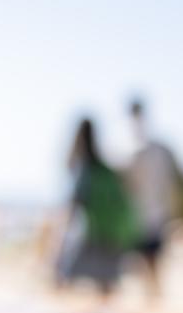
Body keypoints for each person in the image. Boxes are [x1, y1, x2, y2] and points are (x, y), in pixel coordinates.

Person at [125, 98, 183, 298]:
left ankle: (154, 304)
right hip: (151, 216)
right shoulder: (153, 149)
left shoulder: (143, 149)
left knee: (150, 269)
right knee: (150, 269)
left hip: (149, 217)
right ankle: (154, 302)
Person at [55, 118, 138, 298]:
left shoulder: (84, 171)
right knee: (107, 290)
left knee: (63, 279)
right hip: (116, 237)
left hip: (93, 238)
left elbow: (72, 211)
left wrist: (58, 249)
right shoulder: (107, 170)